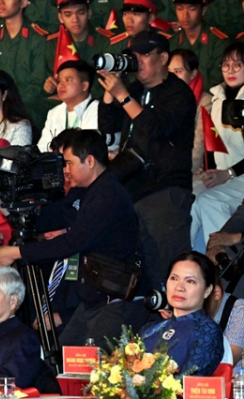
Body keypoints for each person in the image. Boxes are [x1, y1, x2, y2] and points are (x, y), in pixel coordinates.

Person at [0, 130, 146, 348]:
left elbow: (72, 242)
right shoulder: (86, 191)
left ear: (90, 161)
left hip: (115, 299)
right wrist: (5, 206)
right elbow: (51, 218)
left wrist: (17, 253)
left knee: (93, 364)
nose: (65, 170)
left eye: (69, 163)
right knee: (66, 357)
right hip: (94, 298)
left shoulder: (107, 195)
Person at [99, 30, 197, 292]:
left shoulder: (178, 93)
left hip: (165, 189)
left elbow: (155, 130)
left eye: (144, 54)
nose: (137, 60)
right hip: (131, 187)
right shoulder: (133, 90)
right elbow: (107, 129)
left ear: (163, 58)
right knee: (134, 272)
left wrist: (123, 97)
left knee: (167, 268)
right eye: (133, 55)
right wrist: (110, 92)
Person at [191, 43, 244, 252]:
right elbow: (214, 142)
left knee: (209, 200)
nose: (230, 70)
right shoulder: (218, 98)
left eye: (237, 65)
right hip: (225, 176)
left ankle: (221, 263)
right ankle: (183, 261)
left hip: (239, 177)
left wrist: (228, 173)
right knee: (189, 195)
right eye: (226, 65)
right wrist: (208, 170)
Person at [140, 252, 223, 376]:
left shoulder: (207, 331)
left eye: (190, 281)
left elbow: (189, 381)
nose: (179, 287)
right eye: (174, 278)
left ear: (207, 290)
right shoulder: (150, 328)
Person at [39, 60, 104, 153]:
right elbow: (42, 149)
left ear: (84, 86)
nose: (61, 85)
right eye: (59, 81)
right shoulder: (54, 113)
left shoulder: (98, 110)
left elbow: (87, 149)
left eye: (68, 80)